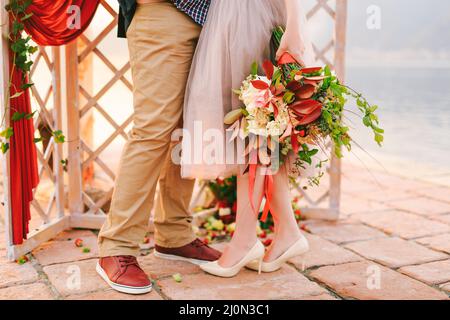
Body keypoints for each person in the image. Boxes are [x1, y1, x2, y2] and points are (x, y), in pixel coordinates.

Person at [181, 0, 315, 277]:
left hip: (253, 14)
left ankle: (245, 240)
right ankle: (286, 231)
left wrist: (294, 25)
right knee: (258, 122)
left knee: (255, 121)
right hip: (231, 14)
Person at [96, 0, 221, 295]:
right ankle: (117, 245)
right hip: (162, 10)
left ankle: (174, 232)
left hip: (209, 17)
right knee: (152, 130)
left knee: (187, 130)